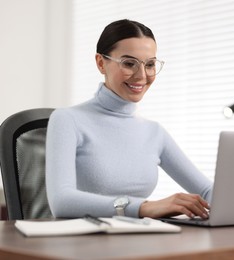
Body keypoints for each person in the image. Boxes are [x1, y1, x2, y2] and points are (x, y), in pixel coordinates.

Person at [46, 19, 212, 220]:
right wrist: (143, 207)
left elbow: (206, 191)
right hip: (83, 244)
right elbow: (61, 202)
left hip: (136, 241)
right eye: (129, 63)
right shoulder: (67, 120)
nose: (142, 75)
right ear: (101, 63)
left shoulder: (154, 132)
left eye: (150, 64)